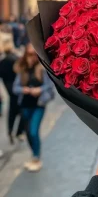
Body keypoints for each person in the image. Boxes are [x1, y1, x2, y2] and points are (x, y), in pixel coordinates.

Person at [13, 43, 53, 172]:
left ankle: (36, 157)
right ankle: (34, 155)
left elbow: (49, 87)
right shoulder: (22, 70)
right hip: (25, 105)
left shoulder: (42, 69)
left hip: (38, 105)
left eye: (34, 55)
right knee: (28, 132)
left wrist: (39, 90)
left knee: (33, 131)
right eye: (29, 54)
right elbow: (15, 88)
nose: (32, 57)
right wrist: (24, 89)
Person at [0, 40, 24, 144]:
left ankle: (10, 131)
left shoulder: (3, 61)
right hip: (17, 87)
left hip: (8, 86)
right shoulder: (16, 59)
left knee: (12, 112)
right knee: (22, 111)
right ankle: (18, 132)